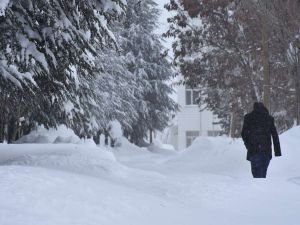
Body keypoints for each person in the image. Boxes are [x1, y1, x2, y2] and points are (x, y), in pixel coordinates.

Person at [241, 102, 281, 178]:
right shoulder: (269, 118)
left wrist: (248, 145)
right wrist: (277, 151)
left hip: (253, 150)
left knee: (256, 173)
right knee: (263, 172)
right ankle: (260, 187)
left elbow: (243, 134)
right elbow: (275, 135)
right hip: (266, 151)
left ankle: (258, 188)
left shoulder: (248, 118)